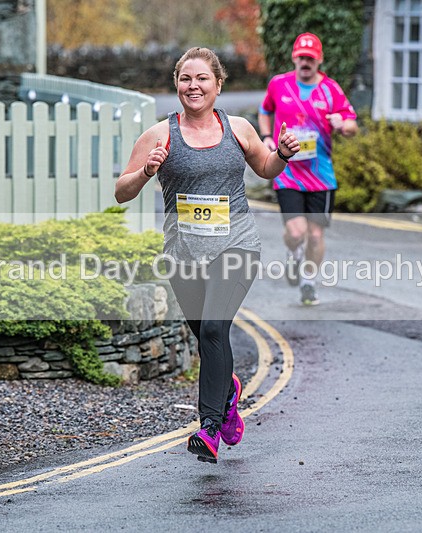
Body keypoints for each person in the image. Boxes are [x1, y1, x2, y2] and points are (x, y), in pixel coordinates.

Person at [115, 47, 299, 463]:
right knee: (207, 339)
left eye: (201, 79)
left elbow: (266, 168)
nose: (192, 86)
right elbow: (121, 191)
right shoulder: (160, 135)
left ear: (218, 84)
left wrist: (283, 154)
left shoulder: (238, 129)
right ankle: (229, 389)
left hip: (237, 246)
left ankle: (210, 427)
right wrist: (147, 172)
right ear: (177, 84)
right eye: (185, 79)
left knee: (215, 329)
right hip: (184, 254)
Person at [258, 32, 359, 306]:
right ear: (294, 57)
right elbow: (264, 110)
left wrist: (342, 124)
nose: (305, 62)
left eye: (310, 58)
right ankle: (293, 254)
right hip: (288, 172)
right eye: (301, 57)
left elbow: (352, 124)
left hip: (321, 175)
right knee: (295, 232)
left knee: (315, 235)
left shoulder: (331, 89)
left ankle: (308, 281)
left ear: (319, 60)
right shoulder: (278, 85)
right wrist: (267, 137)